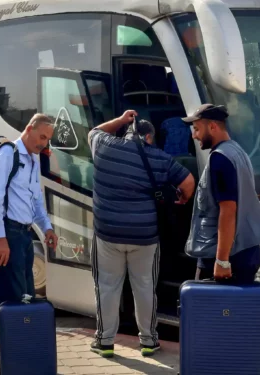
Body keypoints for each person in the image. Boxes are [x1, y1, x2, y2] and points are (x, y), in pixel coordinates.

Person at [87, 110, 195, 358]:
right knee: (145, 287)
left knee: (107, 287)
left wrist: (122, 119)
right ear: (149, 137)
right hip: (145, 237)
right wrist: (181, 199)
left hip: (108, 235)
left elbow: (94, 131)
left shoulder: (104, 145)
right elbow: (188, 182)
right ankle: (148, 341)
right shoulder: (159, 158)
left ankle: (104, 342)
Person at [183, 104, 260, 284]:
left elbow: (228, 210)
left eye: (197, 129)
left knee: (205, 309)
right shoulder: (237, 151)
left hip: (227, 255)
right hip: (245, 251)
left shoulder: (220, 158)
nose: (194, 135)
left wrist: (222, 261)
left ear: (213, 127)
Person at [0, 114, 59, 308]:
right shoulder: (8, 153)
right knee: (12, 301)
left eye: (48, 139)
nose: (44, 144)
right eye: (42, 137)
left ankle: (23, 338)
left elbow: (36, 200)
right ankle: (12, 338)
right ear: (29, 129)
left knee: (26, 298)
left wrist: (47, 228)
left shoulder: (33, 160)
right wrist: (0, 238)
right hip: (9, 235)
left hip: (24, 236)